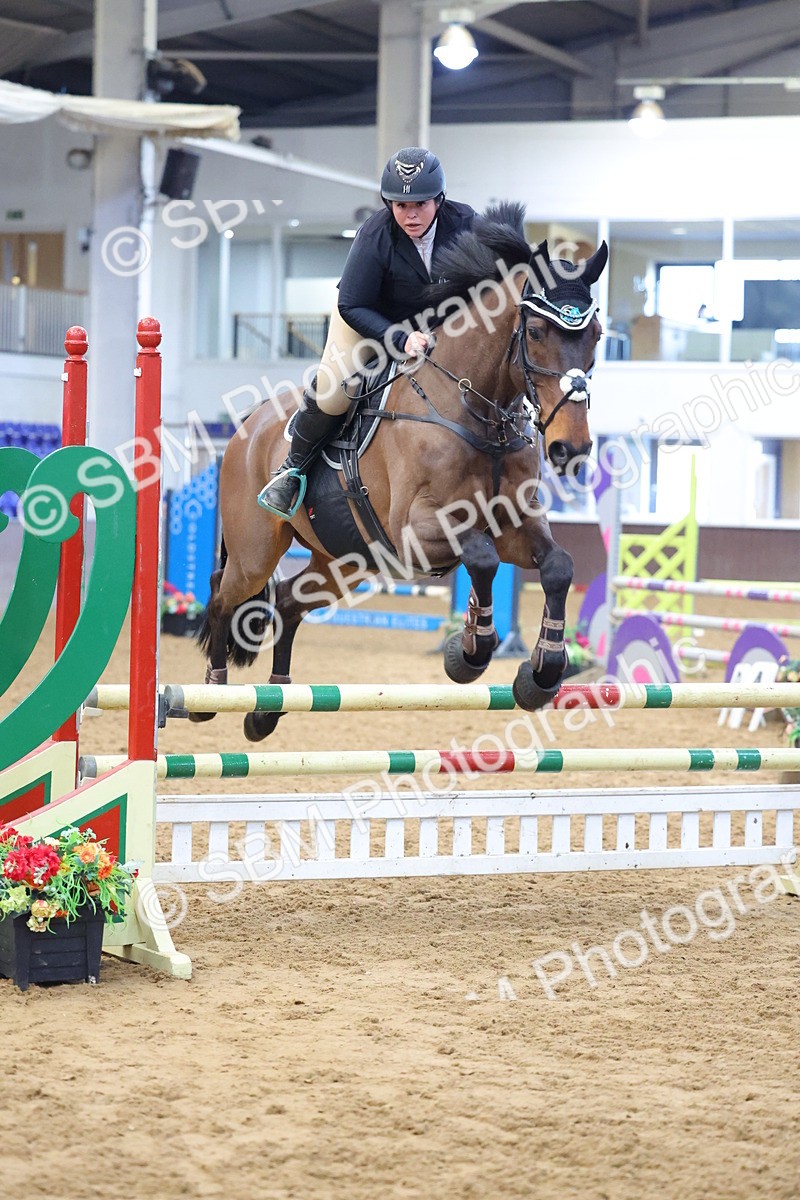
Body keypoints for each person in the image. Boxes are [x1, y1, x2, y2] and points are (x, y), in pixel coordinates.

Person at [258, 146, 475, 519]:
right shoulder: (375, 233)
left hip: (438, 328)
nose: (410, 215)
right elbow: (352, 305)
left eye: (420, 204)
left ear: (439, 200)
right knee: (333, 391)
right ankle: (291, 471)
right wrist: (400, 339)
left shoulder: (467, 224)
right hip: (369, 320)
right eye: (399, 205)